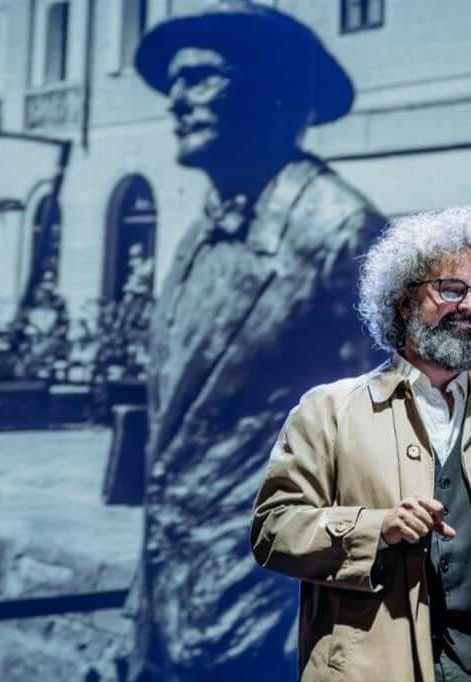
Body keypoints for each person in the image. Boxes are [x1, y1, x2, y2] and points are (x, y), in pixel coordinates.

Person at [127, 2, 385, 679]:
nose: (176, 102)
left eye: (203, 78)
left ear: (275, 92)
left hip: (271, 606)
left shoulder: (340, 233)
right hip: (171, 594)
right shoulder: (198, 234)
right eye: (174, 84)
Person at [252, 207, 471, 681]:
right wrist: (378, 528)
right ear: (404, 302)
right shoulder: (328, 411)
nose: (469, 307)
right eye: (451, 289)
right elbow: (272, 530)